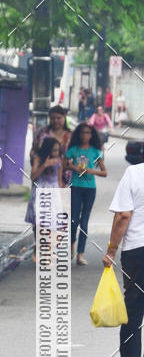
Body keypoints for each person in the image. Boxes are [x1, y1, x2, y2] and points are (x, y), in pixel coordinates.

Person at [103, 158, 144, 357]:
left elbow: (123, 216)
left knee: (135, 305)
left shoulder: (134, 174)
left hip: (137, 250)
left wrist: (111, 250)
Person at [66, 123, 107, 265]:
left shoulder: (95, 152)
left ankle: (80, 254)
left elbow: (104, 172)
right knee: (74, 220)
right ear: (79, 134)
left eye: (88, 133)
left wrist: (91, 171)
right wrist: (73, 166)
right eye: (83, 132)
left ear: (92, 135)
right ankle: (71, 247)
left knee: (84, 221)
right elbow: (64, 164)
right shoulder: (73, 150)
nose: (85, 135)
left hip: (90, 188)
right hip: (76, 187)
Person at [25, 136, 64, 261]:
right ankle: (39, 248)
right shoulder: (38, 158)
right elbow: (33, 176)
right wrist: (45, 165)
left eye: (57, 150)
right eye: (53, 150)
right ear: (47, 150)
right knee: (39, 224)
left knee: (52, 224)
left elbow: (59, 180)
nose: (56, 153)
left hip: (54, 193)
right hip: (40, 192)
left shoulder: (59, 160)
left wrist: (62, 196)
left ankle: (46, 252)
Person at [30, 105, 72, 185]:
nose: (55, 120)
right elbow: (33, 151)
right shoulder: (43, 133)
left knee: (62, 197)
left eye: (59, 118)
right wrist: (40, 162)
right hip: (42, 179)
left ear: (64, 117)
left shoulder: (71, 136)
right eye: (53, 118)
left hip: (65, 179)